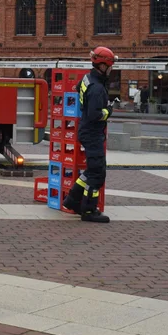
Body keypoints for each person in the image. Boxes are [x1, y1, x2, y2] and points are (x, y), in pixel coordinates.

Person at [63, 46, 115, 223]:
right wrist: (108, 111)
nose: (111, 69)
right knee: (97, 173)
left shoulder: (87, 78)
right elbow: (95, 115)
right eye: (110, 66)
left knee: (91, 170)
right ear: (102, 66)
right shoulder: (97, 88)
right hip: (93, 133)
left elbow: (78, 88)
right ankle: (88, 210)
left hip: (86, 131)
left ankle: (72, 200)